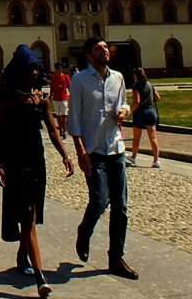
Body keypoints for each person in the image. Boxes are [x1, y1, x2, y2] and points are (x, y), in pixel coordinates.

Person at [0, 45, 74, 298]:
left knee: (33, 213)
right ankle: (40, 277)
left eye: (36, 67)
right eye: (30, 67)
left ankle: (22, 256)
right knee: (27, 216)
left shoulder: (40, 98)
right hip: (16, 162)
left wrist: (65, 155)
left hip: (37, 160)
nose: (34, 72)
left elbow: (52, 129)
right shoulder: (8, 98)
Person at [68, 38, 138, 281]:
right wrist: (80, 153)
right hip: (93, 150)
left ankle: (116, 257)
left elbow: (124, 104)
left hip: (116, 148)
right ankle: (84, 231)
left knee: (121, 206)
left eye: (106, 47)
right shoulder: (79, 80)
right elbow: (73, 119)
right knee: (99, 201)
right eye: (99, 48)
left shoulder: (118, 77)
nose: (105, 50)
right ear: (89, 55)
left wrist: (124, 111)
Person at [127, 67, 161, 168]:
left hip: (140, 113)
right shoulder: (150, 84)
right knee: (153, 138)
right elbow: (158, 98)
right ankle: (156, 160)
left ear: (135, 75)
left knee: (136, 138)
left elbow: (137, 101)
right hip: (151, 111)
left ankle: (133, 157)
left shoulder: (136, 86)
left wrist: (130, 111)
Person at [48, 66, 71, 139]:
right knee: (58, 115)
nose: (59, 70)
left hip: (64, 98)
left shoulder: (66, 77)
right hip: (56, 99)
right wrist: (50, 96)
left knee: (64, 115)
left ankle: (64, 131)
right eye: (58, 69)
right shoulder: (53, 78)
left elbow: (70, 86)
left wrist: (71, 95)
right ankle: (60, 130)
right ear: (56, 69)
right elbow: (52, 88)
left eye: (60, 68)